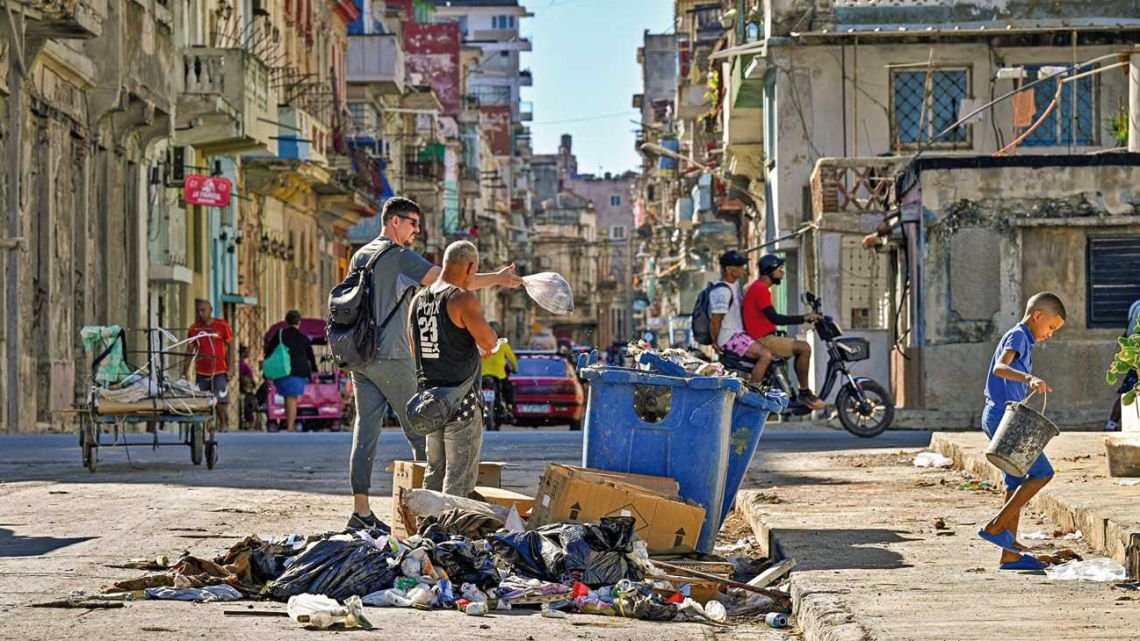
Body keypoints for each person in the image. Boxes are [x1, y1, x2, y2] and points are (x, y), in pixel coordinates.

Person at [346, 197, 522, 530]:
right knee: (424, 427)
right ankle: (431, 521)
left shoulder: (360, 255)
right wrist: (497, 278)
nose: (416, 230)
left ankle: (361, 511)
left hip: (361, 355)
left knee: (364, 432)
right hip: (392, 354)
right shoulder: (398, 257)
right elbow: (452, 280)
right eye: (412, 222)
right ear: (394, 222)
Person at [976, 292, 1066, 571]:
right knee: (1042, 473)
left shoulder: (1027, 341)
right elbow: (1001, 367)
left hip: (1006, 418)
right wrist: (1029, 378)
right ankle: (995, 526)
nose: (1050, 334)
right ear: (1037, 315)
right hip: (1003, 419)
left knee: (1015, 484)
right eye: (1050, 327)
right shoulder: (1018, 335)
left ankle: (1009, 555)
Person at [411, 241, 498, 497]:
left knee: (434, 471)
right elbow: (488, 341)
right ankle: (450, 532)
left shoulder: (419, 299)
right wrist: (488, 340)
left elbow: (414, 348)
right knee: (459, 477)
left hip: (430, 401)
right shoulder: (461, 298)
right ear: (470, 267)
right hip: (462, 402)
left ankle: (429, 528)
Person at [742, 255, 825, 410]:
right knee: (804, 348)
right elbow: (775, 318)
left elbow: (764, 319)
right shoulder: (760, 289)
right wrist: (805, 317)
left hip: (764, 335)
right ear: (770, 271)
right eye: (779, 269)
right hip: (762, 339)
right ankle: (805, 392)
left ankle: (792, 391)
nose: (782, 272)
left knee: (796, 346)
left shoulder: (759, 288)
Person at [709, 250, 773, 385]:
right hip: (729, 337)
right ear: (729, 269)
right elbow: (716, 319)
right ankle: (754, 392)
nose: (743, 270)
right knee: (765, 355)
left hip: (738, 333)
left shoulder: (735, 285)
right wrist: (715, 342)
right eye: (739, 267)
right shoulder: (722, 291)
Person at [264, 310, 318, 433]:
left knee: (288, 397)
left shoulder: (280, 334)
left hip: (282, 370)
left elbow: (269, 351)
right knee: (291, 398)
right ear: (299, 322)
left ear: (286, 321)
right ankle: (290, 426)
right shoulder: (303, 338)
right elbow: (310, 355)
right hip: (298, 371)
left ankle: (289, 423)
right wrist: (314, 370)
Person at [189, 299, 235, 431]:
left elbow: (230, 345)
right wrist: (184, 371)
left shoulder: (222, 325)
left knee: (220, 400)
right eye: (198, 311)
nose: (200, 313)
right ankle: (206, 425)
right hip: (202, 371)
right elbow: (189, 349)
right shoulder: (194, 328)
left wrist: (231, 367)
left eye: (203, 310)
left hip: (220, 370)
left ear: (210, 310)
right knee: (203, 401)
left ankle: (223, 424)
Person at [1105, 298, 1140, 431]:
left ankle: (1111, 424)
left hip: (1133, 353)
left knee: (1128, 390)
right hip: (1136, 355)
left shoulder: (1135, 304)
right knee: (1129, 390)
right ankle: (1111, 424)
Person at [481, 320, 518, 413]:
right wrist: (515, 369)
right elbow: (512, 359)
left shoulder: (480, 343)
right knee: (509, 389)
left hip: (482, 375)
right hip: (499, 376)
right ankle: (509, 406)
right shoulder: (503, 345)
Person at [238, 345, 257, 431]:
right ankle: (249, 421)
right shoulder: (241, 364)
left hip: (248, 385)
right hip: (246, 387)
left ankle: (249, 421)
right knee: (249, 404)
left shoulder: (243, 363)